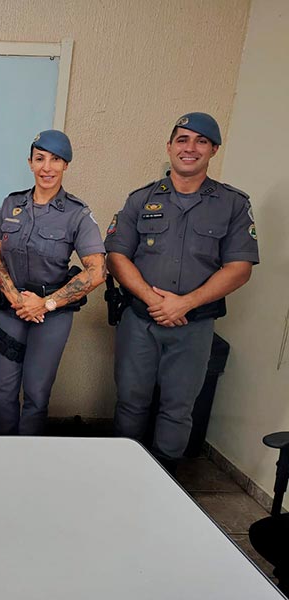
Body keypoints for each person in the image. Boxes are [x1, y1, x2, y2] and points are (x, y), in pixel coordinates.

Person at [106, 112, 259, 470]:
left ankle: (167, 478)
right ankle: (121, 472)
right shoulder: (141, 199)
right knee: (130, 402)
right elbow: (116, 256)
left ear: (214, 149)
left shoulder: (233, 204)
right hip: (140, 321)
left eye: (201, 141)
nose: (190, 148)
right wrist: (153, 300)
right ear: (170, 146)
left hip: (194, 325)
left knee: (178, 408)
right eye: (183, 139)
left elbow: (240, 267)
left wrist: (185, 303)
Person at [0, 130, 106, 435]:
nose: (47, 167)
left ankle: (30, 457)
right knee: (2, 390)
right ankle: (2, 452)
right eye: (40, 158)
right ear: (30, 163)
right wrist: (15, 298)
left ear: (66, 165)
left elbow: (96, 272)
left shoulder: (77, 214)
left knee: (37, 394)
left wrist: (46, 304)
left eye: (55, 159)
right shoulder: (11, 204)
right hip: (9, 309)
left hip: (51, 314)